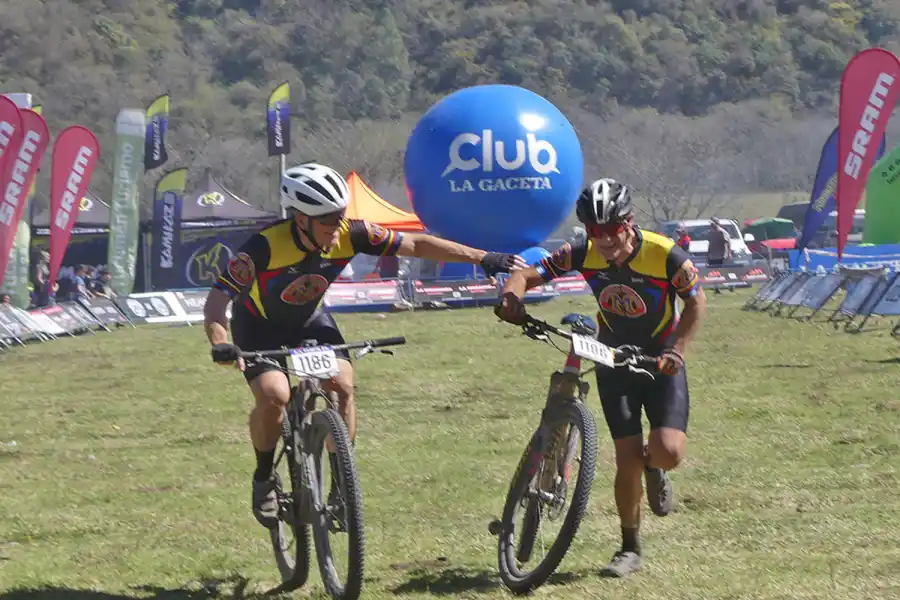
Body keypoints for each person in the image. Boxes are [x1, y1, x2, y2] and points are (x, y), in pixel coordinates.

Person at [203, 161, 527, 529]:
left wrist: (483, 257)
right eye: (327, 221)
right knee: (275, 394)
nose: (337, 227)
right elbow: (217, 300)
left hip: (308, 320)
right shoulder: (264, 247)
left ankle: (343, 489)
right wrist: (221, 342)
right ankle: (264, 478)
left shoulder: (350, 234)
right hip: (258, 327)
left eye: (341, 216)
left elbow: (417, 243)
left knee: (342, 386)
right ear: (300, 219)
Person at [495, 178, 707, 578]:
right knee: (626, 457)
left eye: (612, 229)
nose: (605, 239)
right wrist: (511, 297)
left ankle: (655, 468)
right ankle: (629, 547)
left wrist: (676, 352)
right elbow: (525, 275)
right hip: (613, 358)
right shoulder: (581, 252)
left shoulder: (665, 255)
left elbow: (696, 302)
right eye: (596, 231)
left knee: (667, 453)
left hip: (659, 360)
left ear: (630, 222)